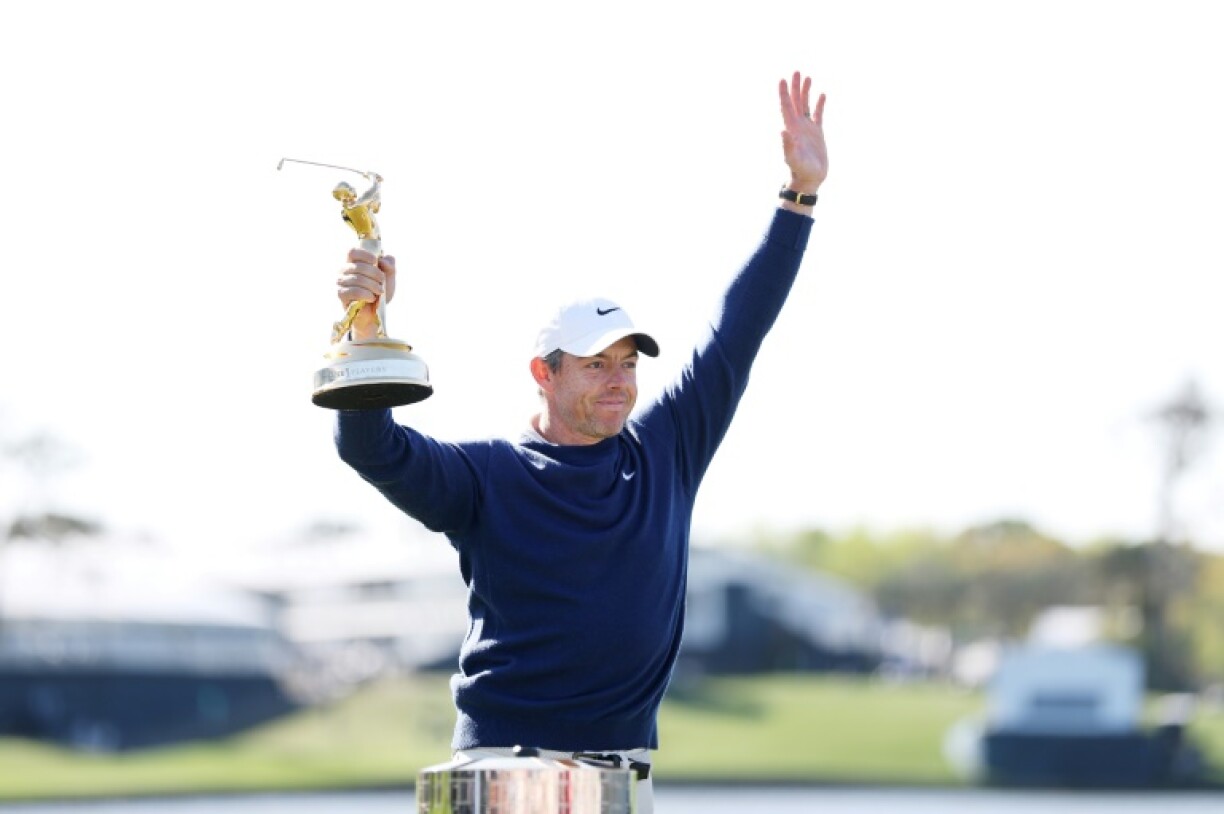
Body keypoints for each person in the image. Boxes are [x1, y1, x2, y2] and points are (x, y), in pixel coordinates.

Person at [331, 71, 828, 812]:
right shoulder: (487, 475)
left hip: (623, 775)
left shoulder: (666, 450)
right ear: (545, 373)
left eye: (628, 363)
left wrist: (799, 196)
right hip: (505, 767)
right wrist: (366, 332)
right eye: (597, 365)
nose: (619, 382)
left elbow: (738, 331)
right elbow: (371, 448)